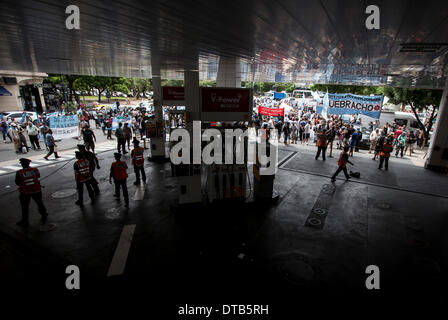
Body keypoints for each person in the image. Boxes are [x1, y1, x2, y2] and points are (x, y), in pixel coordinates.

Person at [15, 158, 48, 227]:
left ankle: (25, 220)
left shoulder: (19, 172)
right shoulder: (35, 170)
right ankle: (44, 213)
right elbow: (38, 176)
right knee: (39, 202)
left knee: (25, 207)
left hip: (25, 192)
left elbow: (17, 182)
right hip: (36, 190)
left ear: (22, 164)